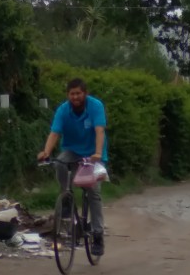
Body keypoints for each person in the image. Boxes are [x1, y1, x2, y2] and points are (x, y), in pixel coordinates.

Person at [38, 78, 108, 256]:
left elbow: (100, 131)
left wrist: (98, 154)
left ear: (85, 93)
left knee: (93, 192)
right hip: (72, 151)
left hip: (93, 153)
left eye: (78, 93)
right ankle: (66, 196)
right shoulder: (63, 110)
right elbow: (55, 132)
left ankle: (98, 236)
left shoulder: (95, 106)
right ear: (68, 95)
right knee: (60, 162)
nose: (75, 97)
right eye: (72, 94)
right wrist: (46, 151)